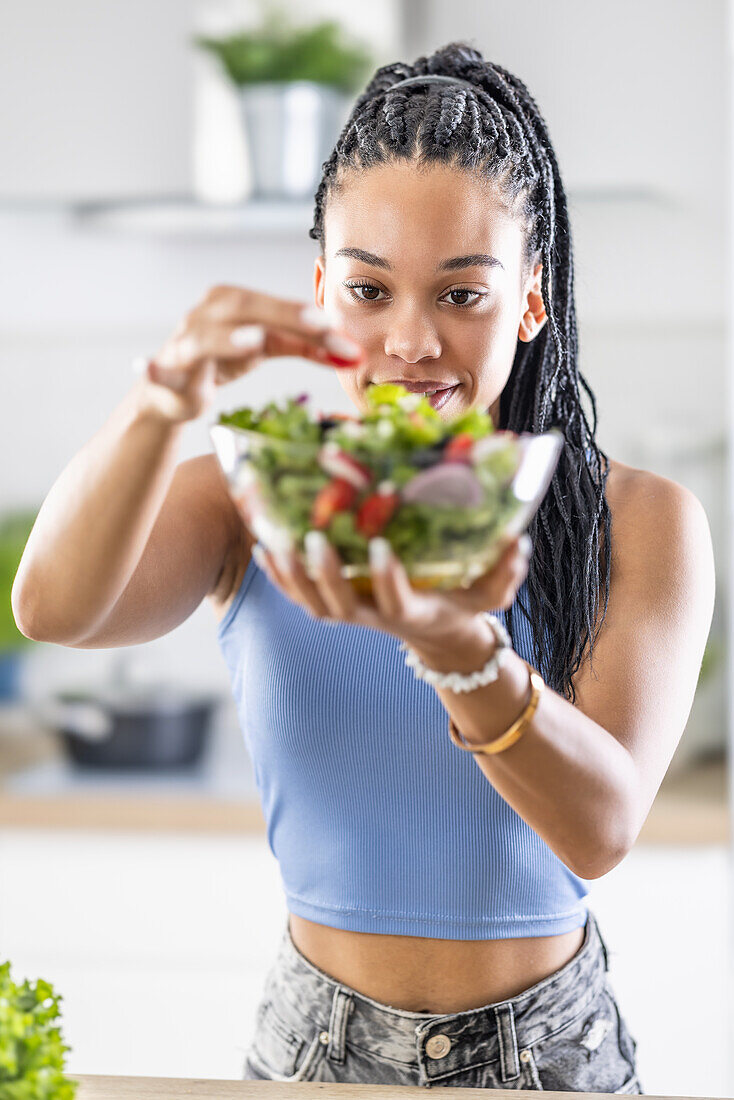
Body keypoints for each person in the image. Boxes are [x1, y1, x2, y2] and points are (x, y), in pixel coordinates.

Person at [12, 41, 715, 1094]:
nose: (410, 340)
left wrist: (456, 645)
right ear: (321, 291)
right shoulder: (247, 491)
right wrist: (163, 397)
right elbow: (53, 608)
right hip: (310, 1044)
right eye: (369, 288)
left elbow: (599, 827)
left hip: (548, 1056)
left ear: (529, 298)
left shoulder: (640, 519)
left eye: (461, 295)